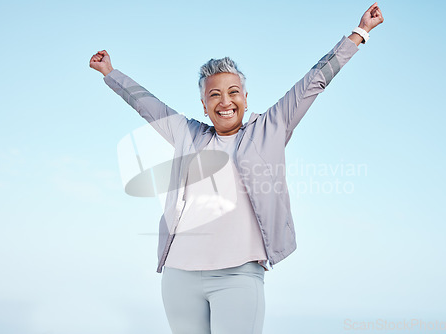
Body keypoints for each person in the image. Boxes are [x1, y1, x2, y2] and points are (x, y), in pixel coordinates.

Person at [89, 3, 383, 333]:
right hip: (179, 275)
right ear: (204, 105)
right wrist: (110, 73)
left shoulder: (271, 126)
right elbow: (147, 105)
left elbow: (313, 81)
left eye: (232, 92)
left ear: (245, 96)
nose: (225, 101)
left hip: (239, 275)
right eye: (214, 95)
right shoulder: (188, 134)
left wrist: (360, 33)